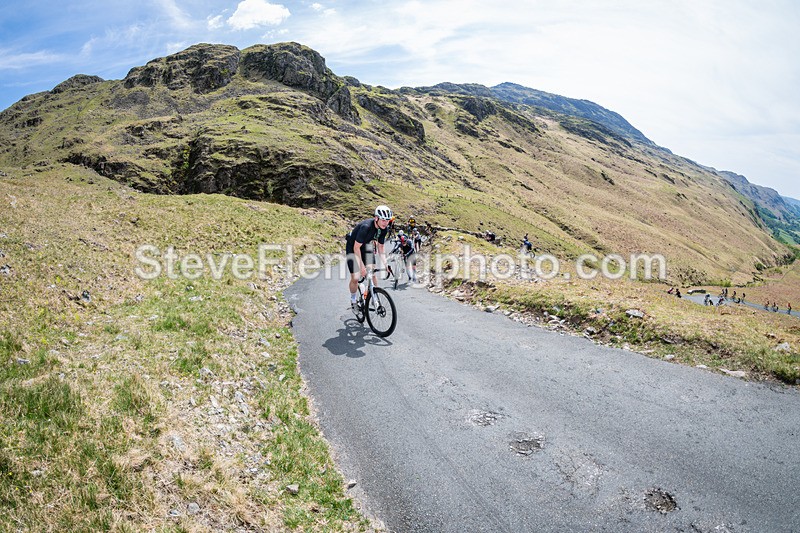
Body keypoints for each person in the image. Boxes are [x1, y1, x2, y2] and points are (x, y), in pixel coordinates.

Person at [346, 205, 393, 309]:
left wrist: (386, 264)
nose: (386, 223)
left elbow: (381, 247)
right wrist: (362, 267)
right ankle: (353, 299)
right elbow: (356, 248)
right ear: (376, 218)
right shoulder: (366, 227)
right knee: (356, 277)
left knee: (372, 273)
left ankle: (373, 297)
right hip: (353, 247)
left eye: (388, 220)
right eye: (383, 220)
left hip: (366, 246)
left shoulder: (384, 229)